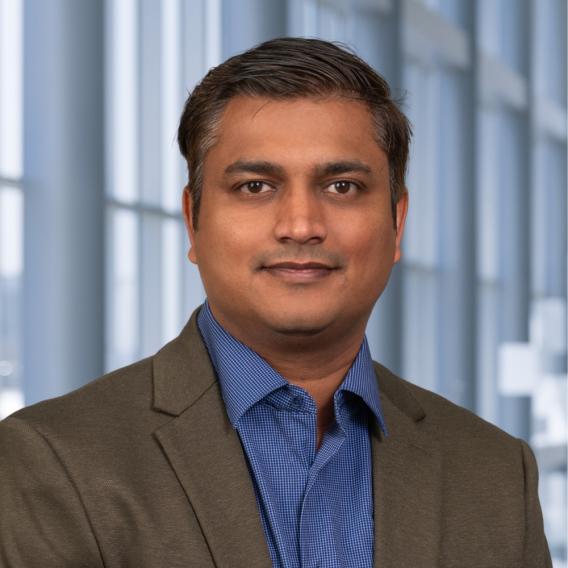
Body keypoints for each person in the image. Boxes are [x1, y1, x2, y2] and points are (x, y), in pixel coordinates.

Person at [0, 37, 551, 568]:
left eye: (342, 187)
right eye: (256, 187)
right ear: (193, 220)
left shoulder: (498, 474)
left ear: (396, 221)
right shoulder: (50, 461)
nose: (301, 226)